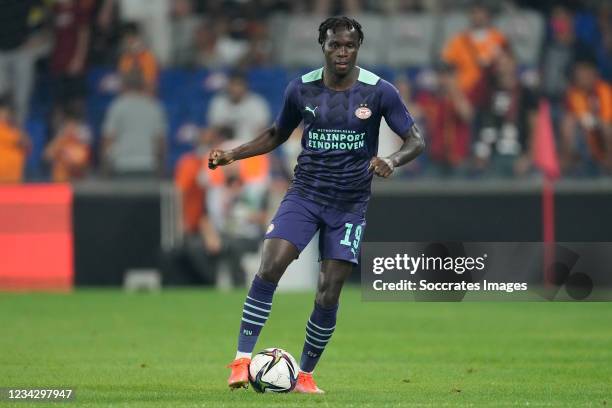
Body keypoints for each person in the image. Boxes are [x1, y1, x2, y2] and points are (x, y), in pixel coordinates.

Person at [210, 17, 424, 393]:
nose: (343, 52)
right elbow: (277, 133)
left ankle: (305, 376)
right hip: (305, 194)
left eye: (350, 46)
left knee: (328, 291)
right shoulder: (301, 89)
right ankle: (242, 361)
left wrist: (391, 161)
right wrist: (233, 154)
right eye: (335, 45)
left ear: (358, 47)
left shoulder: (379, 91)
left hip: (350, 205)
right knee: (270, 266)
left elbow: (415, 140)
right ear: (322, 46)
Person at [101, 72, 167, 178]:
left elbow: (108, 140)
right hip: (148, 165)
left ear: (124, 86)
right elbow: (161, 142)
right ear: (143, 86)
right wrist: (161, 168)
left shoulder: (117, 106)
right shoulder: (154, 107)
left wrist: (105, 169)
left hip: (122, 165)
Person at [44, 107, 92, 182]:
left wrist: (67, 156)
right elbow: (47, 156)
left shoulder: (81, 144)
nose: (70, 128)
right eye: (68, 125)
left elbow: (80, 164)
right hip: (60, 182)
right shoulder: (61, 140)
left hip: (78, 184)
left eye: (73, 125)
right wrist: (58, 143)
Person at [0, 98, 30, 183]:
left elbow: (27, 147)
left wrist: (17, 126)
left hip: (14, 181)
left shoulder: (15, 130)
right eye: (3, 111)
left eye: (8, 112)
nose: (5, 115)